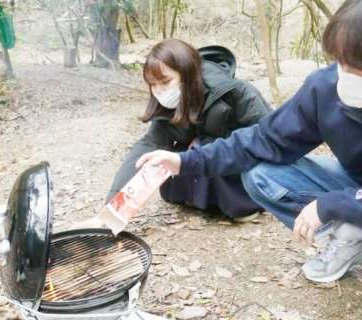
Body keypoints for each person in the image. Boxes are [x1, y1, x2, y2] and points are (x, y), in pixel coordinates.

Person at [136, 0, 362, 320]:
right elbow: (264, 140)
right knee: (261, 173)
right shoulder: (328, 85)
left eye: (361, 68)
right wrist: (186, 162)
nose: (344, 77)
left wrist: (337, 203)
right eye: (340, 62)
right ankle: (351, 240)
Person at [106, 39, 271, 220]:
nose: (159, 91)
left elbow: (269, 137)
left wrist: (205, 143)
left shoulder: (235, 92)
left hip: (237, 164)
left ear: (187, 74)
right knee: (163, 156)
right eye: (153, 84)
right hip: (199, 161)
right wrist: (113, 206)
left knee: (202, 149)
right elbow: (148, 145)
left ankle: (242, 203)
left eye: (165, 81)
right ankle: (199, 198)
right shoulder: (169, 104)